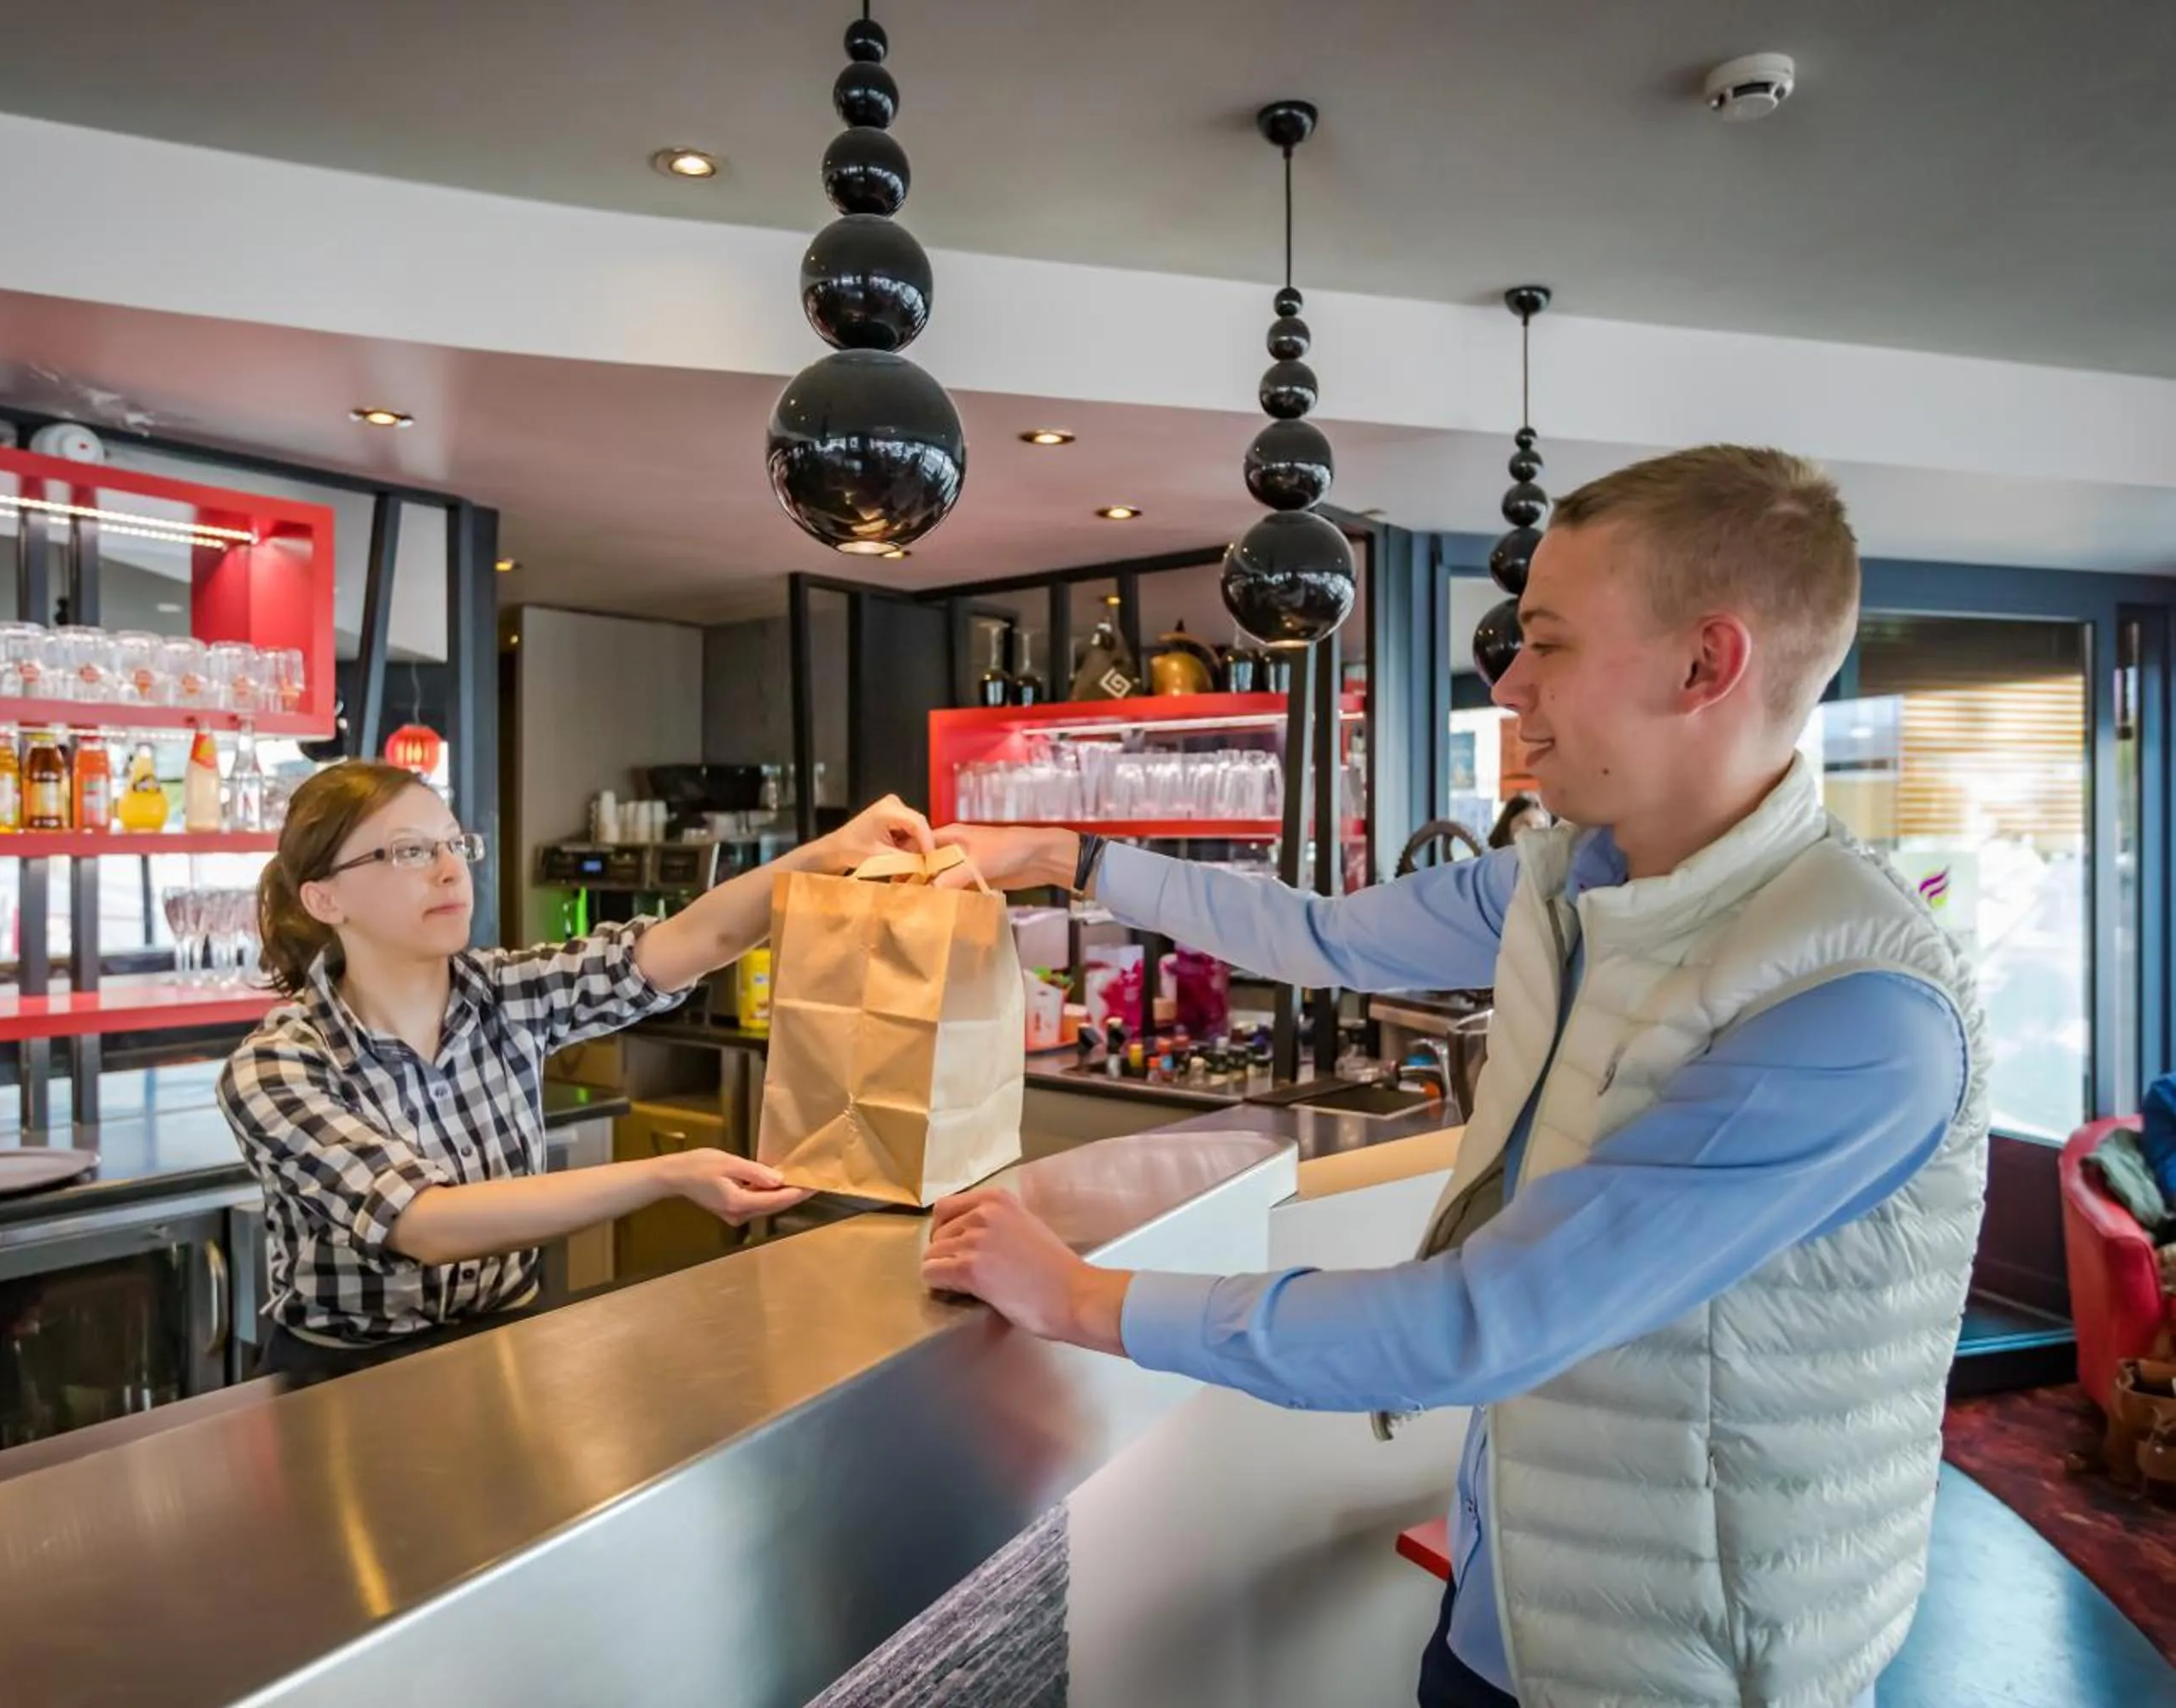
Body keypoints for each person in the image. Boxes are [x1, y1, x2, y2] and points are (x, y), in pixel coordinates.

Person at [927, 446, 1986, 1707]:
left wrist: (1085, 1301)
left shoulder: (1854, 1012)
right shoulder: (1570, 880)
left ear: (1705, 664)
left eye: (1549, 643)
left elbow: (1483, 1322)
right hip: (1504, 1616)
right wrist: (1065, 851)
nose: (1512, 683)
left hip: (1672, 1676)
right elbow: (1320, 936)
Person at [219, 760, 934, 1385]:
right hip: (345, 1380)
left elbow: (695, 940)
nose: (448, 870)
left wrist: (832, 852)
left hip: (505, 1345)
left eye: (453, 845)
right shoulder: (278, 1066)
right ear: (325, 898)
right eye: (408, 852)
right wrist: (663, 1175)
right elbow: (423, 1223)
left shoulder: (507, 991)